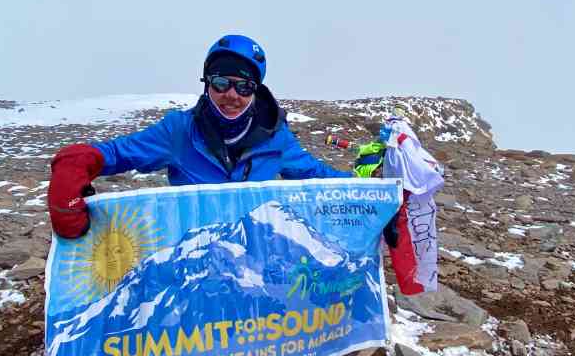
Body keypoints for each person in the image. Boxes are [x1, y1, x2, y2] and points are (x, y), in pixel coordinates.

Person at [48, 34, 352, 239]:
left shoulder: (276, 138)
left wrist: (375, 195)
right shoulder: (178, 131)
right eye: (221, 83)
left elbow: (316, 175)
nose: (231, 95)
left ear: (255, 91)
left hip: (256, 260)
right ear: (207, 84)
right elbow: (117, 154)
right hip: (193, 261)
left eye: (244, 86)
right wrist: (76, 163)